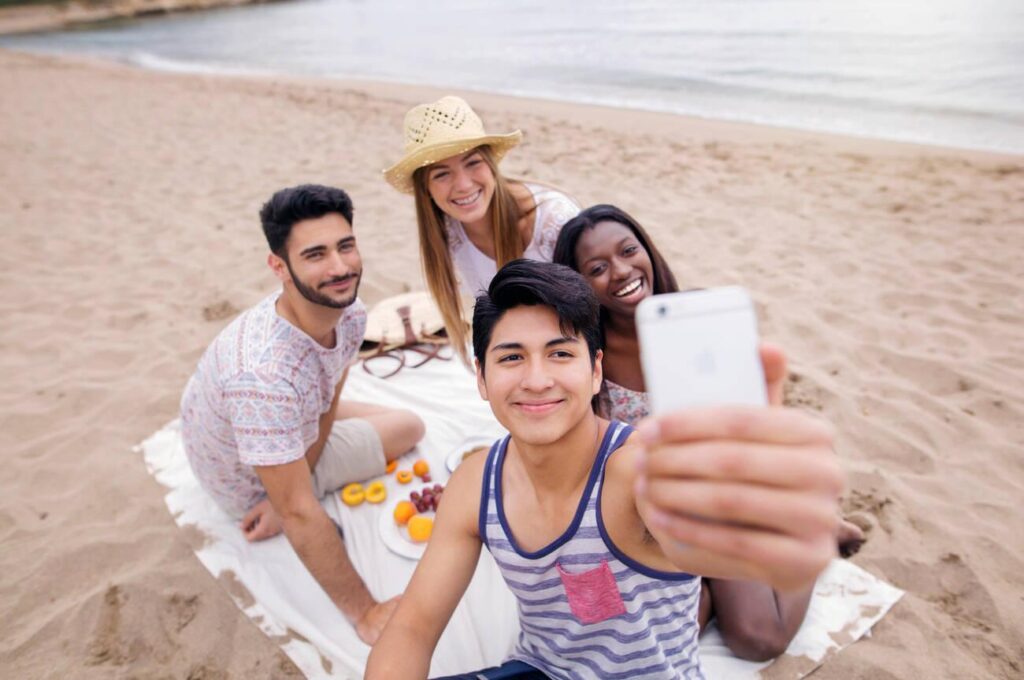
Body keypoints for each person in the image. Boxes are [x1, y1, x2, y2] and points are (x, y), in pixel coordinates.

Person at [365, 260, 844, 679]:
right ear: (481, 378)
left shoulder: (636, 471)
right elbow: (413, 626)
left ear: (595, 371)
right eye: (512, 357)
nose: (536, 380)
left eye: (560, 353)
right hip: (539, 669)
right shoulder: (476, 484)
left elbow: (699, 535)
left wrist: (762, 514)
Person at [552, 204, 865, 660]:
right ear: (582, 284)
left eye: (628, 251)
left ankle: (815, 536)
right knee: (668, 631)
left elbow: (749, 421)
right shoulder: (585, 352)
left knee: (758, 639)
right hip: (649, 515)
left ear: (647, 250)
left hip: (724, 495)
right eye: (597, 268)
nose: (621, 271)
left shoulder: (695, 321)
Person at [180, 184, 425, 644]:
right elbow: (296, 511)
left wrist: (312, 445)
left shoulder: (348, 313)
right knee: (409, 427)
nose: (339, 267)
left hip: (278, 423)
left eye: (345, 246)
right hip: (252, 482)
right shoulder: (264, 379)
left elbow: (330, 392)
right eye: (315, 254)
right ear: (280, 267)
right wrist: (367, 613)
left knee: (392, 418)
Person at [383, 95, 580, 360]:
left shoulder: (552, 219)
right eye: (442, 174)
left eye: (473, 163)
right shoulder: (448, 234)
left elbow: (595, 317)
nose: (463, 184)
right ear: (426, 190)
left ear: (491, 164)